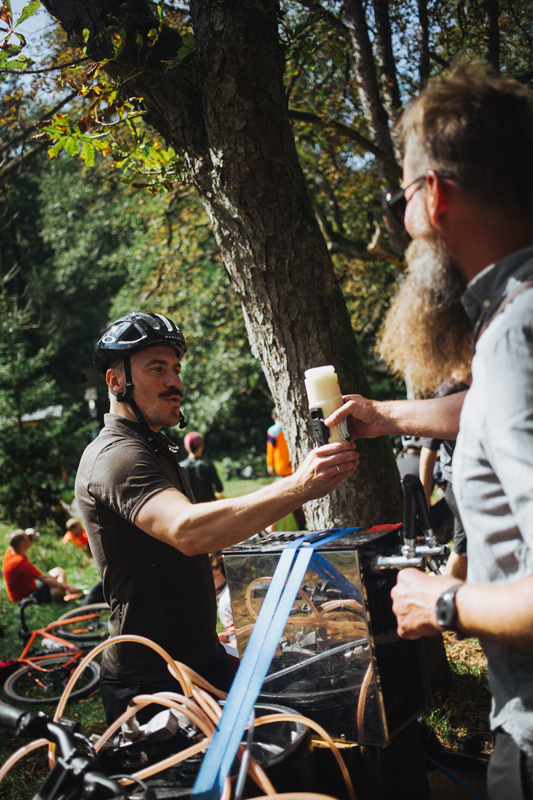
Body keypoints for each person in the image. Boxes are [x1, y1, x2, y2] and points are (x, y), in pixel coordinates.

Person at [325, 64, 533, 799]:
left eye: (401, 199)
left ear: (436, 195)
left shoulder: (516, 336)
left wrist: (442, 603)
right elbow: (489, 410)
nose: (403, 223)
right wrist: (387, 417)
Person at [75, 312, 358, 725]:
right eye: (157, 369)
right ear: (116, 381)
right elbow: (188, 530)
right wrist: (299, 487)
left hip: (199, 661)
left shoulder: (154, 448)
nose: (174, 381)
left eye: (175, 369)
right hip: (153, 684)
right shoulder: (117, 456)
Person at [419, 379, 470, 581]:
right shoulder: (446, 392)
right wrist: (423, 503)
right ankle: (448, 592)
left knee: (465, 544)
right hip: (457, 484)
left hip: (478, 481)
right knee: (466, 543)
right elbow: (428, 453)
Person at [2, 529, 79, 603]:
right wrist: (67, 587)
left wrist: (26, 534)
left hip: (32, 586)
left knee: (59, 571)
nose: (30, 539)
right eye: (28, 538)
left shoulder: (10, 550)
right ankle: (63, 595)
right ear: (21, 543)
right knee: (59, 591)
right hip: (25, 596)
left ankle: (63, 592)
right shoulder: (19, 563)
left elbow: (17, 538)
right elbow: (44, 579)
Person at [179, 431, 223, 503]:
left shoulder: (180, 467)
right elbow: (219, 488)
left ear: (186, 447)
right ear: (201, 445)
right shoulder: (208, 464)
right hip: (210, 505)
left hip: (191, 507)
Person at [209, 551, 237, 650]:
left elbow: (237, 645)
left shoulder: (225, 602)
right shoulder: (233, 590)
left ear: (217, 568)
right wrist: (226, 636)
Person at [266, 408, 292, 477]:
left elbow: (270, 450)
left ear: (273, 416)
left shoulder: (272, 431)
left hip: (281, 464)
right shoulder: (291, 427)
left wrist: (270, 465)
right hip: (293, 463)